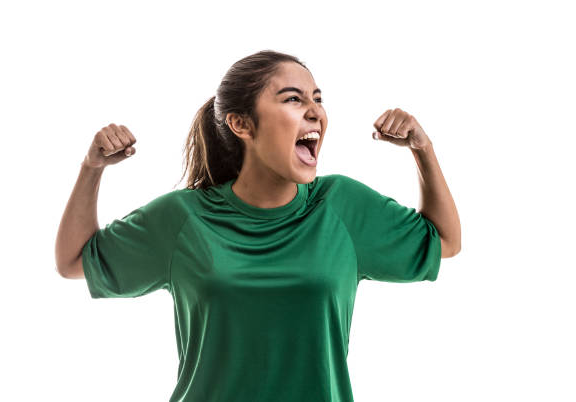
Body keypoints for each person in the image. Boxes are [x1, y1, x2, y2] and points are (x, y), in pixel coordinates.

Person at [55, 50, 461, 402]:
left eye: (317, 99)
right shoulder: (184, 219)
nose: (314, 110)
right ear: (242, 125)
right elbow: (74, 261)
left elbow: (444, 241)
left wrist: (422, 150)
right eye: (293, 99)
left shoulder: (341, 206)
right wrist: (92, 169)